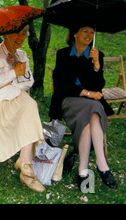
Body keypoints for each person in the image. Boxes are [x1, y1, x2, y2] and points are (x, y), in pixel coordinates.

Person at [0, 26, 46, 192]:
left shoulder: (22, 56)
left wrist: (13, 75)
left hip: (12, 95)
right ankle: (26, 167)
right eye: (17, 33)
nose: (20, 37)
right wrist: (14, 73)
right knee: (28, 105)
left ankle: (25, 164)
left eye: (23, 34)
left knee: (29, 105)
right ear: (6, 34)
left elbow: (29, 82)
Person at [49, 24, 117, 191]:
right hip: (67, 100)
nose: (89, 35)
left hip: (90, 104)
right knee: (93, 108)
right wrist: (87, 93)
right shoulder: (63, 54)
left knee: (90, 115)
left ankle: (83, 170)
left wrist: (96, 65)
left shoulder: (97, 54)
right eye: (85, 31)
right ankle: (103, 167)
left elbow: (99, 86)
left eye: (92, 32)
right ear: (74, 34)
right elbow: (61, 86)